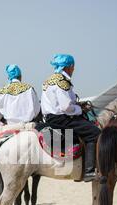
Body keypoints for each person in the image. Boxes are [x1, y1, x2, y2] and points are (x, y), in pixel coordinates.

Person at [41, 54, 101, 182]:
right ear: (69, 67)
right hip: (63, 119)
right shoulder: (62, 82)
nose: (73, 70)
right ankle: (89, 171)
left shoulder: (48, 81)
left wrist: (77, 105)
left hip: (50, 118)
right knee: (94, 133)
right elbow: (66, 107)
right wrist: (80, 109)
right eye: (73, 67)